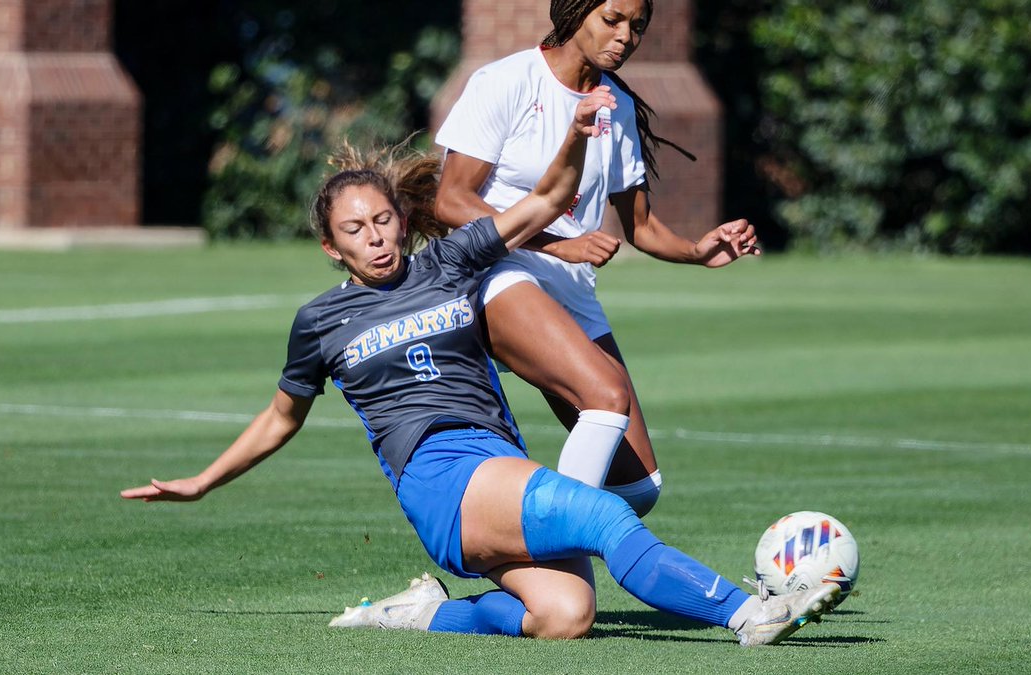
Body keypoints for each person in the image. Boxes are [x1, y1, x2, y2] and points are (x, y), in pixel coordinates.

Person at [121, 87, 839, 645]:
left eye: (381, 220)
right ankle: (749, 613)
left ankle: (423, 613)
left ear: (400, 219)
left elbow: (549, 200)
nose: (374, 238)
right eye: (353, 231)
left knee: (566, 613)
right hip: (438, 478)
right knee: (600, 512)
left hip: (495, 461)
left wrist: (577, 134)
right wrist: (202, 481)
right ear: (331, 250)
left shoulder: (449, 262)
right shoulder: (320, 321)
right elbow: (281, 418)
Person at [434, 0, 762, 517]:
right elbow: (451, 200)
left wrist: (698, 251)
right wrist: (556, 244)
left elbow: (643, 228)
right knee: (605, 395)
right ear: (575, 14)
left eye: (638, 26)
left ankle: (518, 513)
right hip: (495, 271)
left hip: (569, 286)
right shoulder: (506, 81)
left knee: (638, 486)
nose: (626, 37)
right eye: (612, 20)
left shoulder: (617, 106)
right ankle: (549, 549)